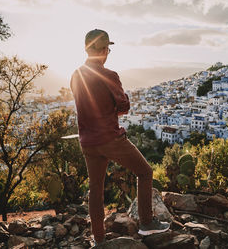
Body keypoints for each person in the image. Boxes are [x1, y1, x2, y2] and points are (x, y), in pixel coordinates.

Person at [70, 29, 170, 245]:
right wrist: (123, 97)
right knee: (145, 172)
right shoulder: (109, 76)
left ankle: (98, 240)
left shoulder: (76, 75)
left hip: (87, 141)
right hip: (109, 138)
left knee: (95, 188)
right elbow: (123, 106)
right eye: (108, 49)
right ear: (105, 49)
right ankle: (146, 223)